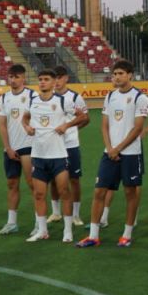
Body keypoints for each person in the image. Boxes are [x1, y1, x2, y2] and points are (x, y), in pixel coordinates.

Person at [79, 59, 148, 247]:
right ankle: (93, 236)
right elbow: (104, 125)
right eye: (115, 74)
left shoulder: (139, 98)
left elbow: (137, 129)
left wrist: (118, 149)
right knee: (99, 191)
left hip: (131, 154)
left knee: (130, 193)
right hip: (109, 153)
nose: (117, 77)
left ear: (130, 75)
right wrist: (110, 148)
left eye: (121, 74)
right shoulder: (110, 96)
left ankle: (127, 234)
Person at [21, 68, 74, 242]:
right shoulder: (32, 101)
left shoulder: (62, 101)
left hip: (58, 154)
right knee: (39, 194)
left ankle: (68, 230)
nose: (42, 82)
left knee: (64, 191)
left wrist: (66, 126)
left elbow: (82, 117)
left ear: (53, 82)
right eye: (40, 79)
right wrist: (27, 127)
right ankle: (42, 231)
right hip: (39, 155)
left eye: (46, 79)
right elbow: (25, 118)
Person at [0, 64, 36, 235]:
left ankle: (39, 223)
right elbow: (2, 125)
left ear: (23, 78)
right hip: (11, 148)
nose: (13, 80)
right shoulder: (4, 98)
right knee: (12, 184)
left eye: (16, 77)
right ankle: (12, 222)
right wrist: (7, 147)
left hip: (29, 146)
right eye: (11, 77)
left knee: (32, 184)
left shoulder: (32, 96)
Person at [52, 67, 90, 226]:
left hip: (71, 144)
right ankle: (55, 213)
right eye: (55, 78)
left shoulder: (75, 97)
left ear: (66, 78)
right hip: (53, 145)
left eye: (60, 77)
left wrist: (71, 128)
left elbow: (86, 118)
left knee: (74, 179)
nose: (57, 81)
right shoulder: (48, 97)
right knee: (53, 180)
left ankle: (75, 214)